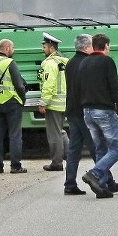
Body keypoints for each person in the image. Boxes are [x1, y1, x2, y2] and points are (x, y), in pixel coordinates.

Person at [63, 34, 118, 195]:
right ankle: (96, 175)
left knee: (86, 149)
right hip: (95, 110)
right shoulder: (100, 62)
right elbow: (108, 87)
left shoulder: (75, 63)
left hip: (80, 110)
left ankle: (98, 185)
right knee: (111, 148)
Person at [79, 33, 118, 199]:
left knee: (101, 149)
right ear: (106, 46)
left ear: (93, 46)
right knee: (116, 149)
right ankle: (94, 174)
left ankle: (101, 186)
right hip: (104, 111)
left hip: (87, 111)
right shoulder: (107, 62)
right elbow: (114, 88)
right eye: (109, 46)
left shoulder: (84, 63)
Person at [0, 38, 28, 174]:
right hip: (12, 102)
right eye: (13, 48)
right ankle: (15, 166)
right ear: (7, 48)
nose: (13, 51)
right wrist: (23, 99)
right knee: (14, 134)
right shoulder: (10, 63)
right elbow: (19, 85)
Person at [39, 32, 69, 172]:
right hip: (63, 102)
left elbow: (49, 84)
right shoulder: (63, 61)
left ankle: (57, 163)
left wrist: (43, 102)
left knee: (54, 134)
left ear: (51, 48)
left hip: (53, 103)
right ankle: (70, 156)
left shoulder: (50, 64)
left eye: (44, 47)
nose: (43, 49)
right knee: (60, 131)